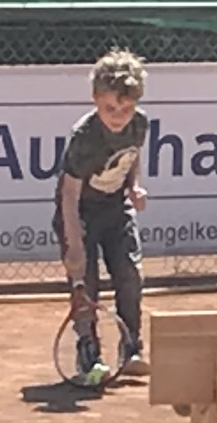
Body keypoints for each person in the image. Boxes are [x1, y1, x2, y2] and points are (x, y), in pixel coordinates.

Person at [56, 48, 154, 391]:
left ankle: (132, 348)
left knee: (130, 275)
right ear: (95, 99)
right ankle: (89, 356)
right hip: (79, 214)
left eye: (126, 109)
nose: (119, 116)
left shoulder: (139, 123)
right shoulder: (84, 138)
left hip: (117, 210)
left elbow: (131, 156)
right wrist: (74, 244)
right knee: (86, 285)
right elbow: (69, 194)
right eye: (110, 108)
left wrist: (134, 186)